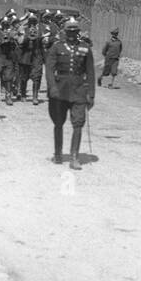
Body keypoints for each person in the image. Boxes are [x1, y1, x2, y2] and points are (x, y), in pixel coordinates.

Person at [45, 18, 95, 170]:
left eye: (75, 31)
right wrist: (52, 87)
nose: (72, 34)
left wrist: (91, 94)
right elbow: (49, 69)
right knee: (58, 122)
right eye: (69, 31)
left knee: (78, 123)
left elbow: (90, 72)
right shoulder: (56, 47)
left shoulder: (85, 48)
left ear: (78, 32)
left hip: (79, 91)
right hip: (60, 91)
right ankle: (58, 153)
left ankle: (74, 157)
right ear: (65, 32)